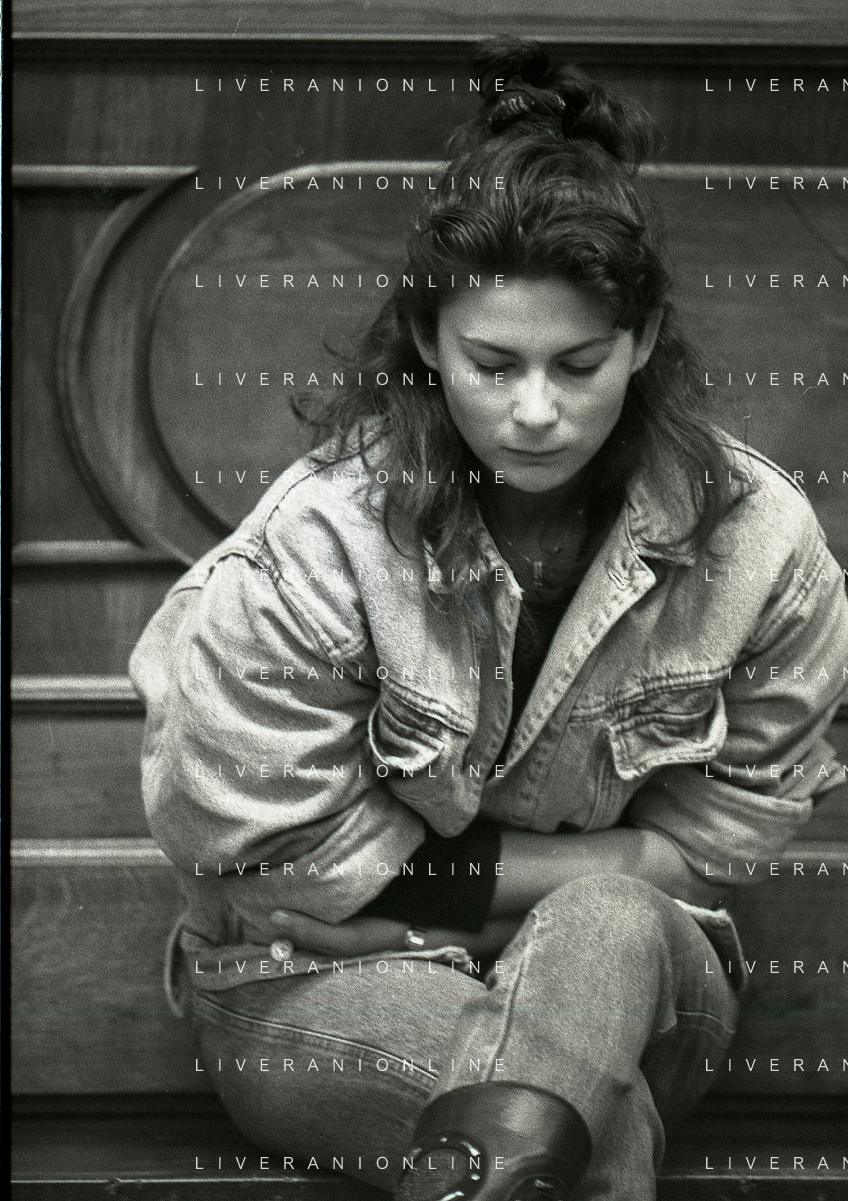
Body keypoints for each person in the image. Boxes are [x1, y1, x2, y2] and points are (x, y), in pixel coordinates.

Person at [129, 41, 848, 1201]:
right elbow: (277, 870)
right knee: (575, 1126)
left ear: (642, 341)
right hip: (307, 988)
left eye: (578, 363)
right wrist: (618, 860)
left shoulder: (760, 546)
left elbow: (712, 856)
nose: (534, 411)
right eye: (493, 363)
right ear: (427, 341)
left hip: (649, 987)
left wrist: (436, 902)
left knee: (608, 925)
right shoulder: (316, 546)